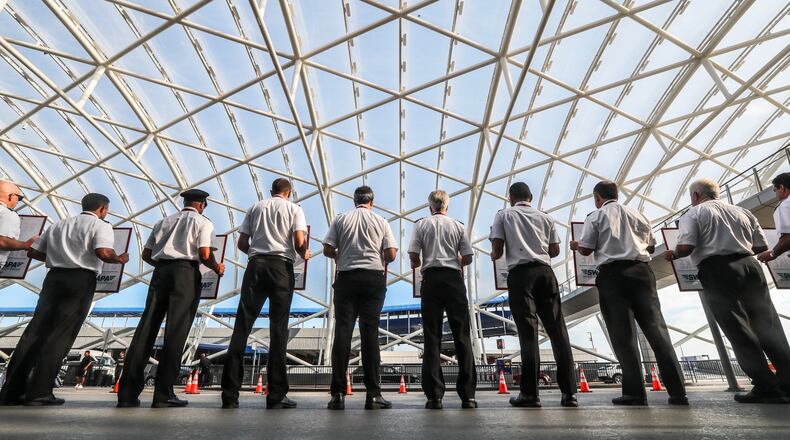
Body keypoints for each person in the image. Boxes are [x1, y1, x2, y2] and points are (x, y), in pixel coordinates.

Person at [665, 178, 790, 404]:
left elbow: (686, 248)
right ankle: (788, 382)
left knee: (737, 327)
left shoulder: (693, 214)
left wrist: (672, 254)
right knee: (767, 322)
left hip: (717, 270)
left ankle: (765, 385)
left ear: (695, 196)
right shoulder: (743, 212)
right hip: (750, 266)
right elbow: (760, 247)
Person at [0, 193, 128, 406]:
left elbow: (34, 252)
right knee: (60, 335)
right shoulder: (101, 225)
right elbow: (104, 252)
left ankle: (11, 391)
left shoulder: (60, 224)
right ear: (103, 209)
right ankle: (40, 392)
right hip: (80, 279)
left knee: (34, 333)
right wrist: (120, 258)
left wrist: (56, 257)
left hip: (53, 279)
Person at [570, 181, 687, 406]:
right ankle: (678, 391)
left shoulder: (595, 217)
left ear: (597, 198)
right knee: (657, 330)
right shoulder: (639, 215)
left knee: (623, 335)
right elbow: (651, 247)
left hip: (612, 275)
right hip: (642, 272)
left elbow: (585, 248)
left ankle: (635, 392)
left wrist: (577, 245)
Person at [117, 189, 224, 408]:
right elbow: (204, 254)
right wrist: (216, 266)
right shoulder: (203, 223)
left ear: (184, 201)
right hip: (185, 273)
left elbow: (146, 255)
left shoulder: (162, 222)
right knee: (176, 331)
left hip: (161, 272)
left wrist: (165, 266)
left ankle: (127, 394)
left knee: (146, 330)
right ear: (202, 205)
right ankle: (163, 394)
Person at [221, 178, 309, 409]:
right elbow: (299, 241)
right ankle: (276, 394)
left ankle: (230, 394)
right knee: (278, 329)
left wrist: (257, 253)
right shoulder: (295, 209)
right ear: (289, 193)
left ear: (271, 191)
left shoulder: (256, 207)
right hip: (281, 268)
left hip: (256, 266)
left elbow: (242, 242)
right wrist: (304, 252)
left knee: (242, 326)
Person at [489, 182, 577, 408]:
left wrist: (496, 253)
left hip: (520, 276)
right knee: (558, 330)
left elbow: (497, 249)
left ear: (510, 197)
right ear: (531, 196)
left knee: (528, 333)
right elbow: (555, 250)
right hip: (545, 273)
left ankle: (530, 394)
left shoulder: (503, 215)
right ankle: (569, 393)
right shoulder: (546, 217)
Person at [323, 186, 397, 410]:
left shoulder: (341, 220)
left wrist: (340, 255)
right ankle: (373, 395)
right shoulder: (381, 221)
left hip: (346, 277)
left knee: (343, 333)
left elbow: (327, 248)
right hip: (373, 279)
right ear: (372, 201)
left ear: (354, 200)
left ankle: (337, 395)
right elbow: (391, 254)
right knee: (370, 335)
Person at [408, 190, 477, 409]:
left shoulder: (421, 225)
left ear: (430, 207)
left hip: (431, 280)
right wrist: (455, 259)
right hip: (453, 280)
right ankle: (468, 396)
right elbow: (467, 256)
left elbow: (413, 254)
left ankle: (434, 396)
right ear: (447, 206)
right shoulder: (458, 226)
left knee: (432, 336)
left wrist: (417, 262)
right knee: (462, 336)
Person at [0, 180, 36, 270]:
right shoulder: (7, 213)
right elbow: (2, 241)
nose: (18, 201)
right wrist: (26, 245)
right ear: (11, 196)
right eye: (19, 198)